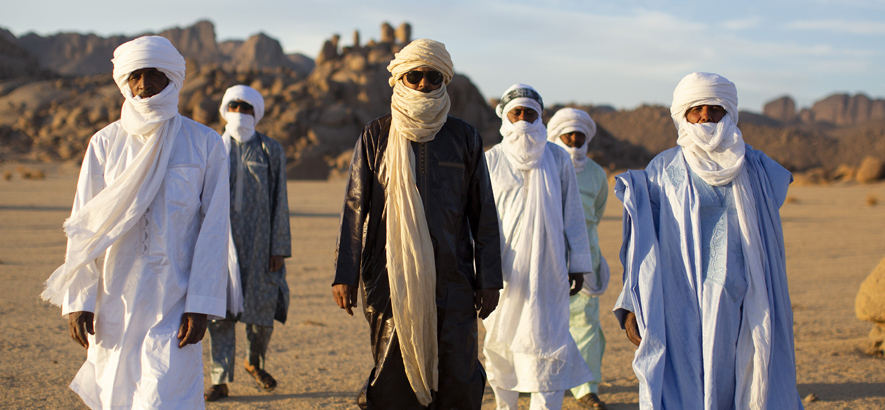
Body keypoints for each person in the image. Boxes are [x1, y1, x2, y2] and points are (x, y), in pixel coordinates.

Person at [41, 36, 230, 410]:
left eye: (154, 75)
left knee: (164, 396)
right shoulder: (104, 144)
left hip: (174, 299)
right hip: (114, 301)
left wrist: (202, 303)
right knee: (116, 394)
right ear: (124, 81)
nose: (143, 85)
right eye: (135, 76)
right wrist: (79, 299)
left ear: (172, 79)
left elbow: (215, 228)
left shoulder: (205, 144)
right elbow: (85, 226)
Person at [614, 72, 804, 409]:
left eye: (714, 109)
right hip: (681, 300)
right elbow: (643, 244)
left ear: (729, 113)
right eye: (696, 110)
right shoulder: (662, 170)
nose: (705, 117)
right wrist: (632, 304)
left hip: (745, 296)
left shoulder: (757, 168)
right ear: (682, 116)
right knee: (685, 383)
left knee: (747, 374)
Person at [332, 39, 502, 410]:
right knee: (394, 375)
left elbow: (483, 215)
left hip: (453, 277)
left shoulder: (465, 137)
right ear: (400, 79)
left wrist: (489, 279)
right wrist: (344, 273)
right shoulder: (376, 135)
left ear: (444, 79)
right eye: (415, 75)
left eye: (432, 75)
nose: (424, 83)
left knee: (457, 374)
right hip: (390, 277)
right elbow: (354, 208)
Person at [483, 84, 594, 410]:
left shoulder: (558, 157)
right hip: (504, 272)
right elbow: (479, 221)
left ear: (540, 117)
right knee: (501, 344)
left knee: (548, 341)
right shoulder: (491, 160)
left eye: (529, 114)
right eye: (516, 113)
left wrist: (578, 264)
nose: (523, 121)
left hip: (549, 270)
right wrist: (481, 272)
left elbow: (572, 213)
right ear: (505, 117)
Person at [203, 85, 291, 401]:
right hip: (219, 244)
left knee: (261, 311)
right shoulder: (212, 146)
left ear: (257, 113)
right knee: (219, 314)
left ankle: (254, 362)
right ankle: (219, 379)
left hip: (261, 244)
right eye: (234, 106)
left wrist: (279, 246)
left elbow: (280, 199)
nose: (240, 112)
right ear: (225, 110)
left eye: (246, 107)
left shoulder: (270, 150)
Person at [547, 108, 610, 410]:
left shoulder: (597, 174)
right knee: (539, 321)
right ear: (555, 135)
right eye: (567, 134)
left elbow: (595, 214)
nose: (573, 139)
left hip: (585, 260)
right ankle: (535, 381)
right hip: (544, 258)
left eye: (579, 135)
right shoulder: (542, 164)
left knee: (585, 322)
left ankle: (586, 388)